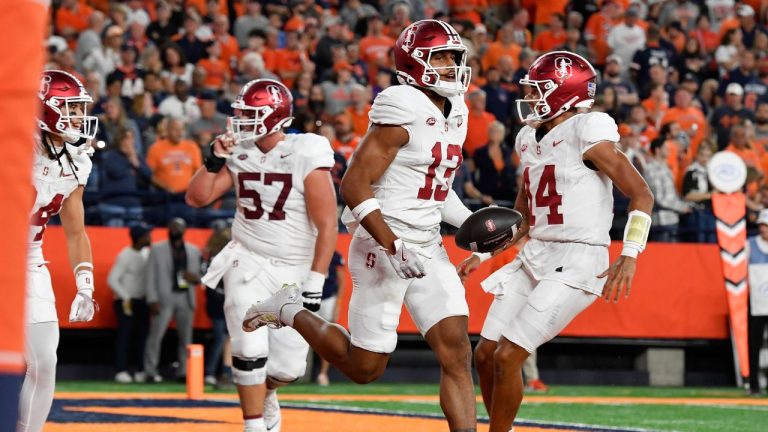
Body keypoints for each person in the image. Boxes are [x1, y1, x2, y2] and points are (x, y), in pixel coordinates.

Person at [242, 20, 479, 432]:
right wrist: (393, 244)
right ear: (413, 62)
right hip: (380, 243)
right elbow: (353, 183)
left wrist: (471, 221)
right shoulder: (402, 103)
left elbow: (435, 190)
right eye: (439, 57)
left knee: (457, 352)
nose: (450, 66)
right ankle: (286, 308)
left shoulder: (456, 109)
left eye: (453, 57)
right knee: (365, 367)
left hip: (426, 243)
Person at [456, 51, 655, 432]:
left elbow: (641, 193)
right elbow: (523, 217)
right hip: (537, 253)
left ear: (566, 92)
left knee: (509, 355)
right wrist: (482, 256)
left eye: (538, 90)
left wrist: (630, 254)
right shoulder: (528, 138)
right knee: (485, 354)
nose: (530, 99)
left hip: (578, 257)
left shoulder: (588, 130)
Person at [186, 78, 337, 432]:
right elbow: (196, 198)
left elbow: (328, 223)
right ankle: (253, 425)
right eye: (240, 112)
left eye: (250, 113)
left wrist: (316, 279)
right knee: (247, 345)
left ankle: (267, 391)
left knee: (289, 368)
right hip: (247, 258)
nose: (240, 119)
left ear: (276, 116)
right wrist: (212, 161)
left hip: (293, 269)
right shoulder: (238, 151)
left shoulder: (307, 150)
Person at [19, 70, 100, 432]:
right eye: (70, 107)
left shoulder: (78, 159)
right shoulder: (13, 143)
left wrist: (86, 282)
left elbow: (75, 231)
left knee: (44, 359)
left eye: (80, 109)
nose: (79, 117)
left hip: (29, 258)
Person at [142, 218, 202, 383]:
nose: (175, 229)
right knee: (155, 336)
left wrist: (196, 278)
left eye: (179, 227)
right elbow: (150, 275)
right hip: (163, 298)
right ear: (168, 229)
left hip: (185, 296)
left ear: (185, 230)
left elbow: (200, 277)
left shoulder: (193, 250)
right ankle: (150, 371)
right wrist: (152, 298)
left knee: (186, 338)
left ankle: (183, 372)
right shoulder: (157, 249)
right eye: (172, 226)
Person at [108, 223, 152, 383]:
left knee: (143, 337)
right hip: (125, 301)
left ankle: (141, 370)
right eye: (147, 235)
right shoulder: (125, 255)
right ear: (139, 238)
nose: (150, 238)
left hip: (142, 301)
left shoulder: (147, 253)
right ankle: (121, 370)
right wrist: (126, 297)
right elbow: (112, 279)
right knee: (125, 336)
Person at [315, 251, 346, 386]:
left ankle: (323, 373)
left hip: (328, 298)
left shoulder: (335, 256)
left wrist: (337, 304)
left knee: (326, 338)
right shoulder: (308, 251)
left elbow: (342, 281)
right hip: (309, 296)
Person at [747, 209, 768, 396]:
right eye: (762, 225)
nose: (764, 229)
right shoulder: (750, 245)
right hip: (756, 303)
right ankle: (753, 383)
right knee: (754, 345)